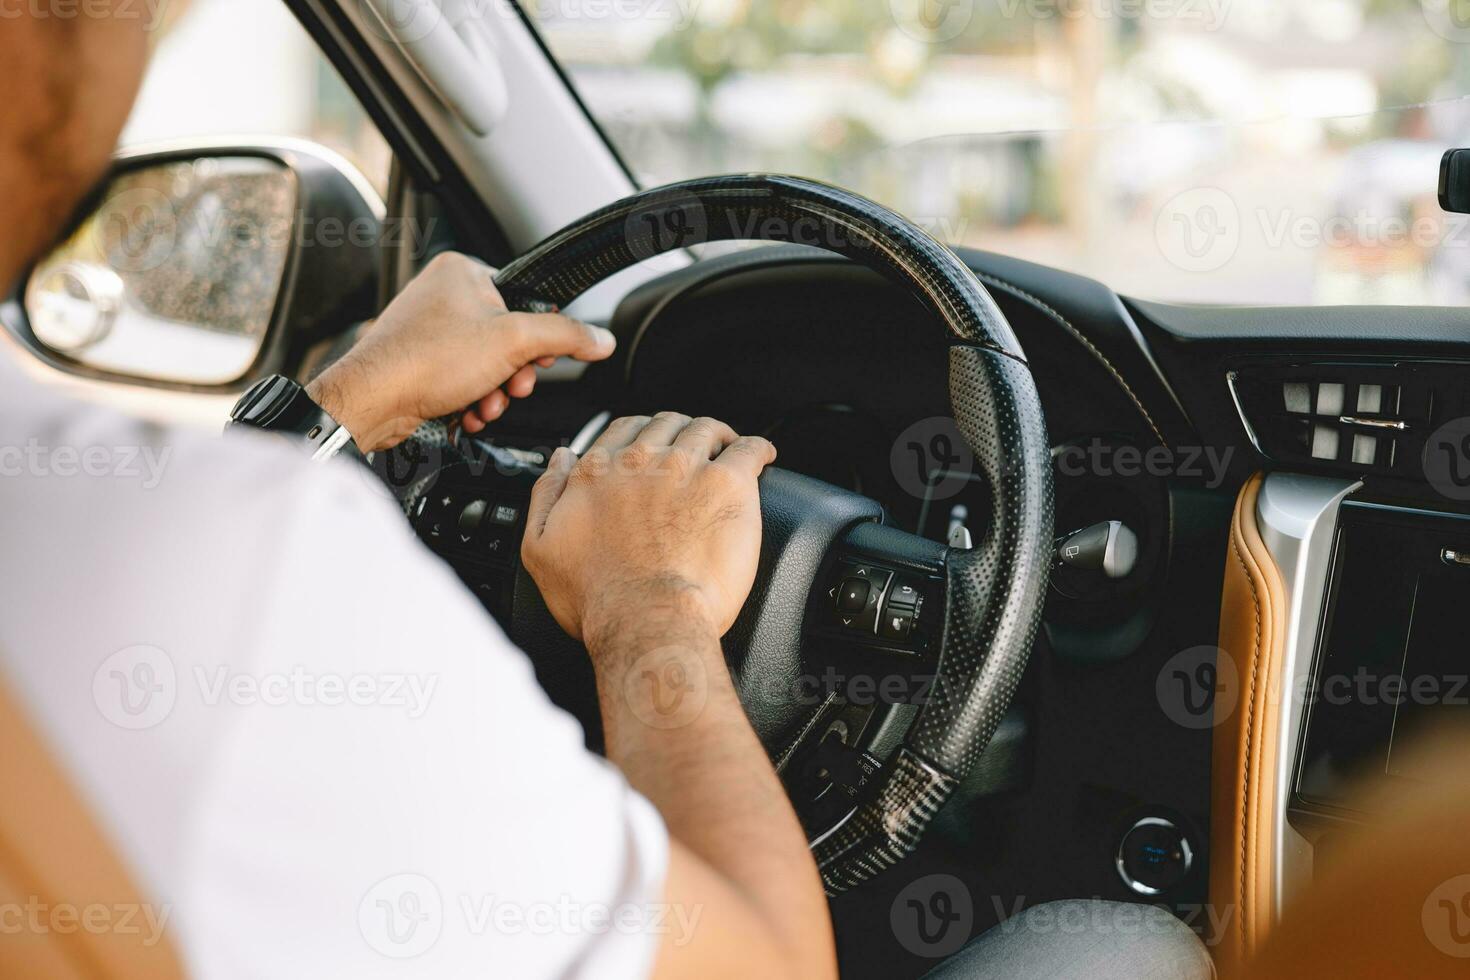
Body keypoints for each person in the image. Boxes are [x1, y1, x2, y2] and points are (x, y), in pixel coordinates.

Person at [0, 7, 1213, 980]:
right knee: (1129, 944)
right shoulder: (229, 562)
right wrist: (650, 602)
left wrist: (360, 391)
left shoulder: (123, 537)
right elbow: (765, 959)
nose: (144, 29)